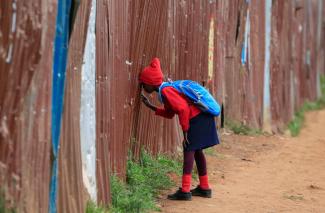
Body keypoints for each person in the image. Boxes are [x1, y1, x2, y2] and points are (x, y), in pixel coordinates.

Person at [139, 57, 219, 201]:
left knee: (189, 149)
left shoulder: (166, 91)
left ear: (151, 83)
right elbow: (170, 113)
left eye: (144, 84)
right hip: (202, 117)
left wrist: (185, 131)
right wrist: (150, 106)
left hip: (198, 118)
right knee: (197, 150)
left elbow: (182, 109)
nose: (143, 86)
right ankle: (204, 188)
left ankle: (185, 190)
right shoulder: (166, 90)